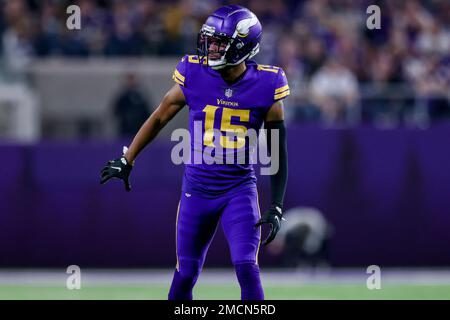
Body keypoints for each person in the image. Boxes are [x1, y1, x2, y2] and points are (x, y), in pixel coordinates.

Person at [100, 5, 289, 300]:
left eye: (220, 42)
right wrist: (128, 157)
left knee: (246, 267)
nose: (211, 48)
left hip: (238, 191)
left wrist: (276, 204)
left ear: (243, 46)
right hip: (197, 191)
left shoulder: (267, 84)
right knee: (186, 272)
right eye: (210, 40)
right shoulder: (195, 73)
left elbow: (278, 151)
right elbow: (160, 116)